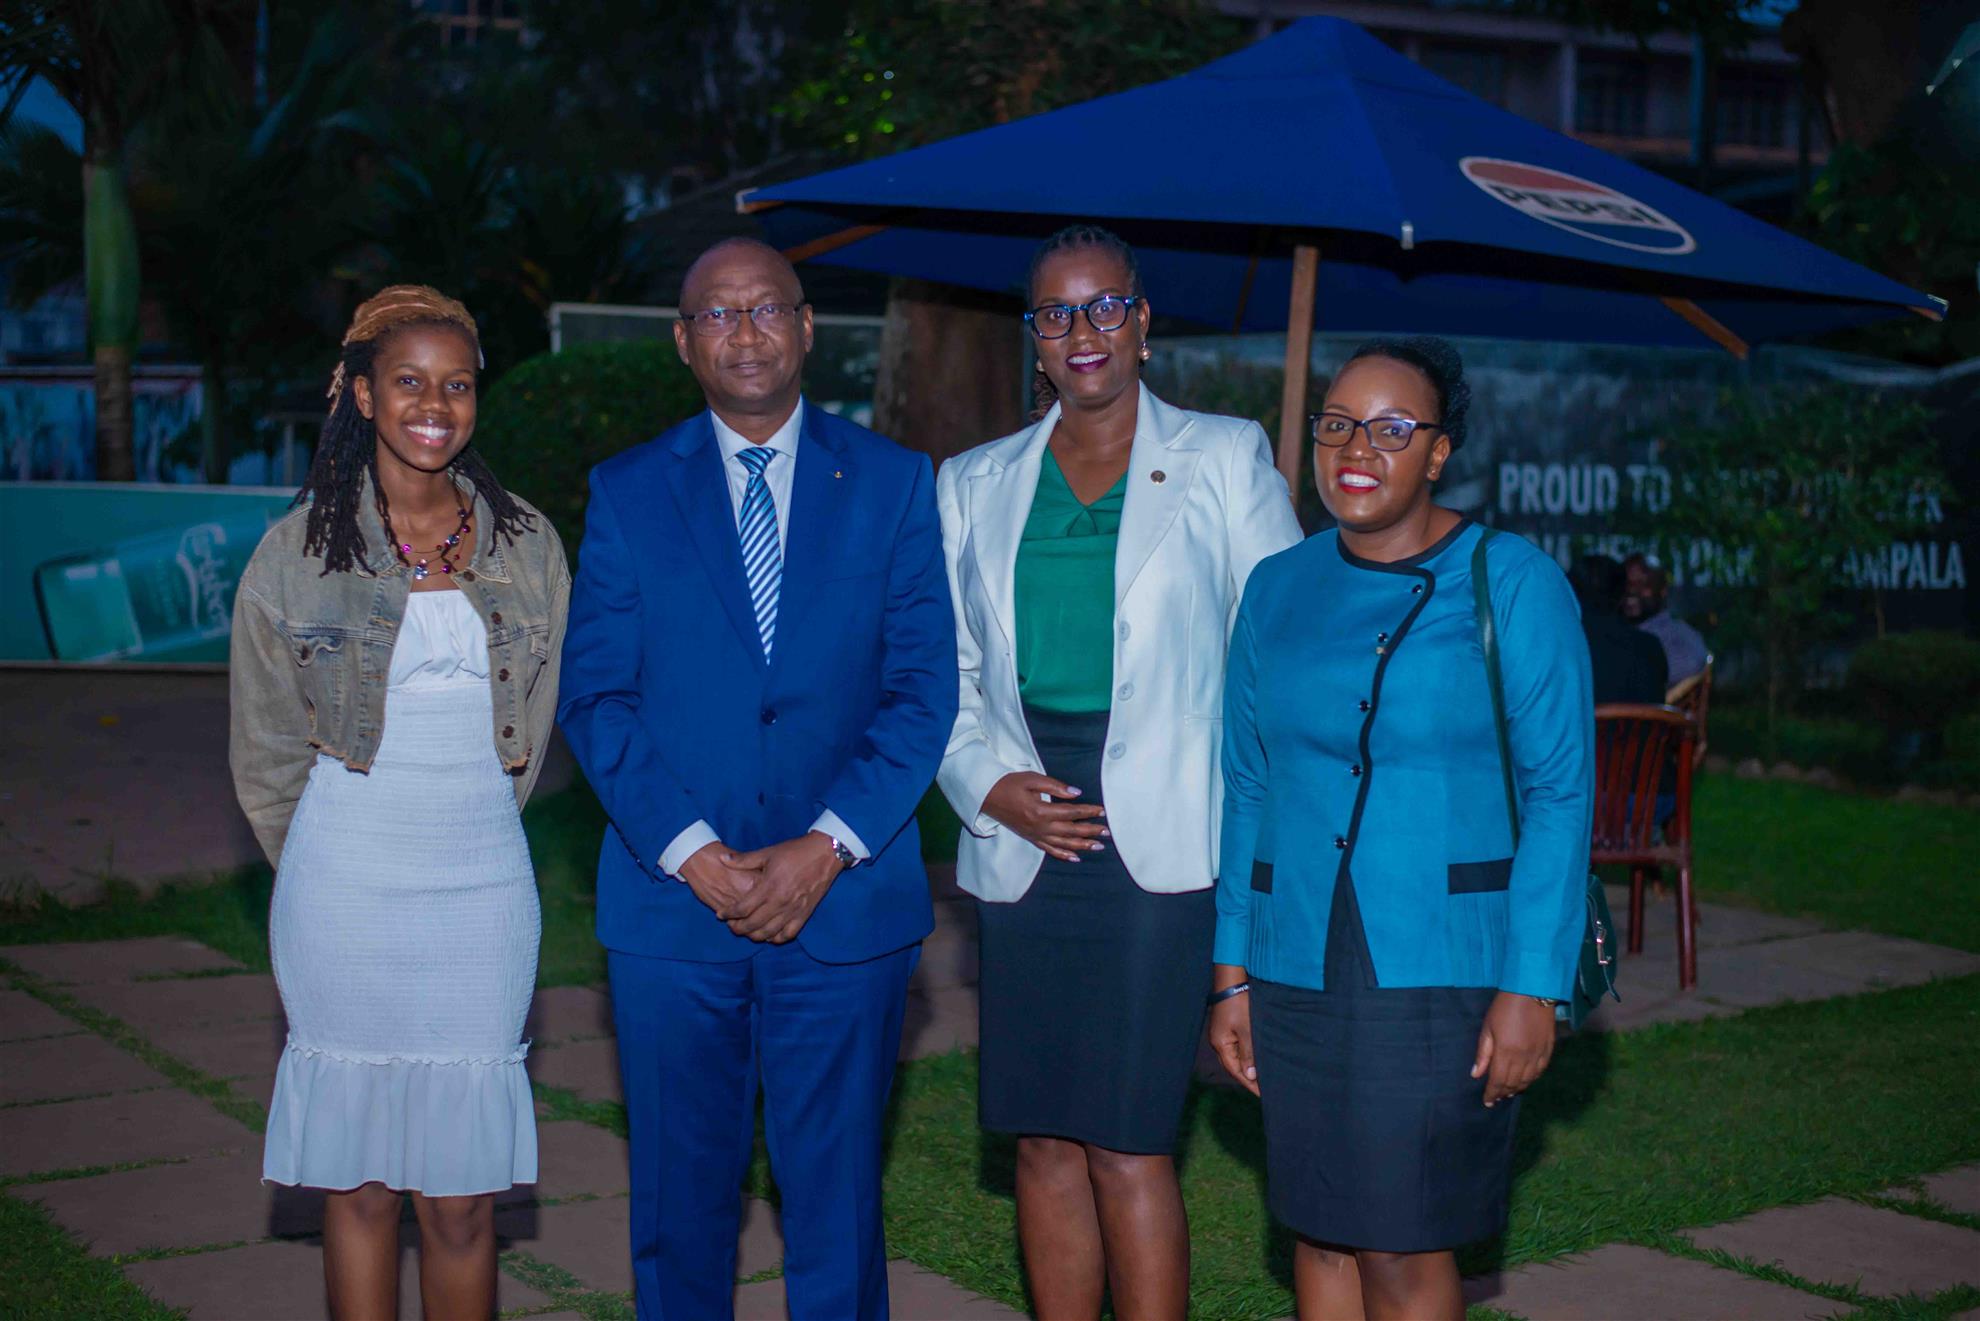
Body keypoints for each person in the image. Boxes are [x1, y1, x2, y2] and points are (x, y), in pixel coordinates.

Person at [556, 238, 956, 1321]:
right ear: (684, 342)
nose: (744, 332)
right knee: (680, 1204)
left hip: (846, 905)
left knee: (836, 1204)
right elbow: (596, 696)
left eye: (766, 308)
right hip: (675, 910)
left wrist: (826, 846)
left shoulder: (893, 482)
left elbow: (923, 688)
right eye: (718, 314)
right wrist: (693, 854)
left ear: (807, 327)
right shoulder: (629, 492)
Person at [935, 224, 1302, 1321]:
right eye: (1056, 312)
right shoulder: (973, 480)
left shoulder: (1224, 455)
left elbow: (1280, 650)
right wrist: (985, 784)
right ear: (1035, 337)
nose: (1082, 330)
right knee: (1043, 1136)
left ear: (1142, 323)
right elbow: (940, 671)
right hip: (1025, 824)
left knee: (1129, 1138)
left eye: (1104, 307)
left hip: (1164, 838)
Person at [1208, 336, 1592, 1321]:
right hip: (1297, 955)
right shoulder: (1276, 587)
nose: (1356, 448)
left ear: (1439, 450)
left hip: (1440, 961)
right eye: (1337, 424)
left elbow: (1559, 793)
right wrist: (1232, 973)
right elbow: (1247, 785)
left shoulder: (1511, 582)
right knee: (1319, 1227)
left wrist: (1531, 985)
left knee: (1402, 1241)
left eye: (1390, 429)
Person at [230, 286, 568, 1319]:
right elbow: (266, 752)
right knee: (364, 1187)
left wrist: (474, 827)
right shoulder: (295, 553)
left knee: (462, 1202)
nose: (435, 404)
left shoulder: (528, 544)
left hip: (481, 891)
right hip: (346, 888)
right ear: (363, 393)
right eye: (410, 381)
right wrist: (325, 864)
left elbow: (533, 732)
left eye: (457, 384)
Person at [1571, 553, 1669, 705]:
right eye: (1631, 584)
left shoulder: (1565, 649)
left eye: (1643, 584)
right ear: (1621, 593)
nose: (1634, 590)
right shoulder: (1651, 648)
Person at [1623, 552, 1709, 687]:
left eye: (1643, 584)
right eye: (1627, 584)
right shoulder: (1611, 628)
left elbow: (1694, 662)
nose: (1632, 591)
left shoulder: (1677, 633)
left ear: (1662, 590)